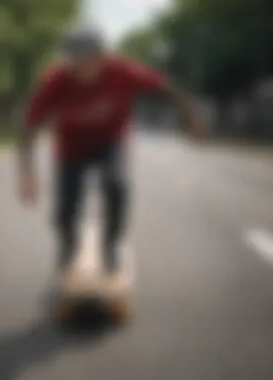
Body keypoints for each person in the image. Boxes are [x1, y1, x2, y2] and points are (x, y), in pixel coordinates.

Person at [18, 27, 205, 285]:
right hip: (71, 147)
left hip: (110, 141)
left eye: (91, 62)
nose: (84, 71)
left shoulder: (122, 71)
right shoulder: (55, 82)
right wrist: (27, 173)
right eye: (77, 64)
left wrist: (189, 117)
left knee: (116, 184)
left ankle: (112, 246)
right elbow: (29, 128)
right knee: (66, 206)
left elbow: (165, 89)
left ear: (103, 58)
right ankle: (68, 247)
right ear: (68, 62)